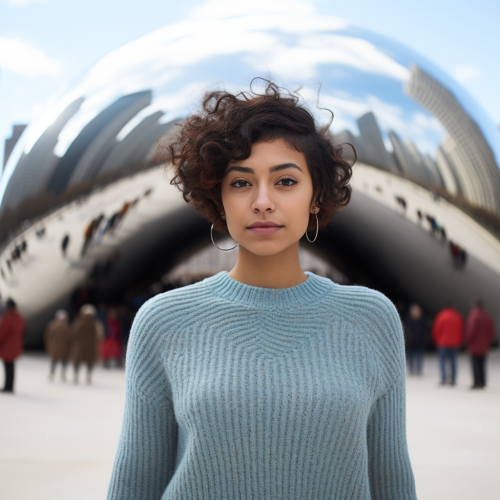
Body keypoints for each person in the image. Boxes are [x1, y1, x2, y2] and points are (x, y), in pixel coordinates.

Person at [107, 80, 417, 499]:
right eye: (241, 183)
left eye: (286, 181)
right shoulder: (163, 321)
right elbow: (134, 485)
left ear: (315, 196)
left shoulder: (371, 318)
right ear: (218, 198)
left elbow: (392, 481)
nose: (263, 201)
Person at [465, 300, 495, 389]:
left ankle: (476, 382)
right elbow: (492, 332)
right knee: (482, 364)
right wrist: (487, 342)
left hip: (474, 345)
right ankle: (483, 382)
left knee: (475, 365)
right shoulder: (488, 316)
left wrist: (468, 340)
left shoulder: (474, 317)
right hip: (484, 345)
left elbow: (471, 332)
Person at [432, 304, 464, 386]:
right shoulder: (458, 316)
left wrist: (437, 340)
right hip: (454, 343)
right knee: (453, 361)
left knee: (442, 360)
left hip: (442, 343)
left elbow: (436, 330)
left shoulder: (441, 316)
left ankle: (443, 378)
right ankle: (453, 379)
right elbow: (461, 330)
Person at [0, 298, 25, 393]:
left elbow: (3, 333)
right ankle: (9, 386)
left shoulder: (8, 318)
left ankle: (8, 387)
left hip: (7, 346)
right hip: (15, 345)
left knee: (8, 367)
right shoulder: (19, 317)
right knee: (11, 367)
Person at [70, 304, 100, 384]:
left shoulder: (79, 322)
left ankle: (76, 375)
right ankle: (88, 376)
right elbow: (100, 334)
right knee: (90, 361)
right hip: (91, 346)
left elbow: (74, 333)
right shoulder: (95, 323)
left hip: (79, 346)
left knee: (77, 361)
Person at [44, 309, 72, 382]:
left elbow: (48, 337)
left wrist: (49, 346)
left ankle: (52, 374)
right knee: (64, 362)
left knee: (54, 361)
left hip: (54, 348)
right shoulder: (67, 326)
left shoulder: (52, 325)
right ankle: (63, 375)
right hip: (64, 348)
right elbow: (69, 339)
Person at [404, 303, 429, 375]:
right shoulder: (408, 320)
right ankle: (411, 370)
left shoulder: (423, 320)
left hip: (420, 342)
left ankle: (419, 370)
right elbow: (406, 331)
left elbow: (426, 331)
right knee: (411, 357)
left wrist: (425, 339)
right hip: (411, 342)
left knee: (420, 357)